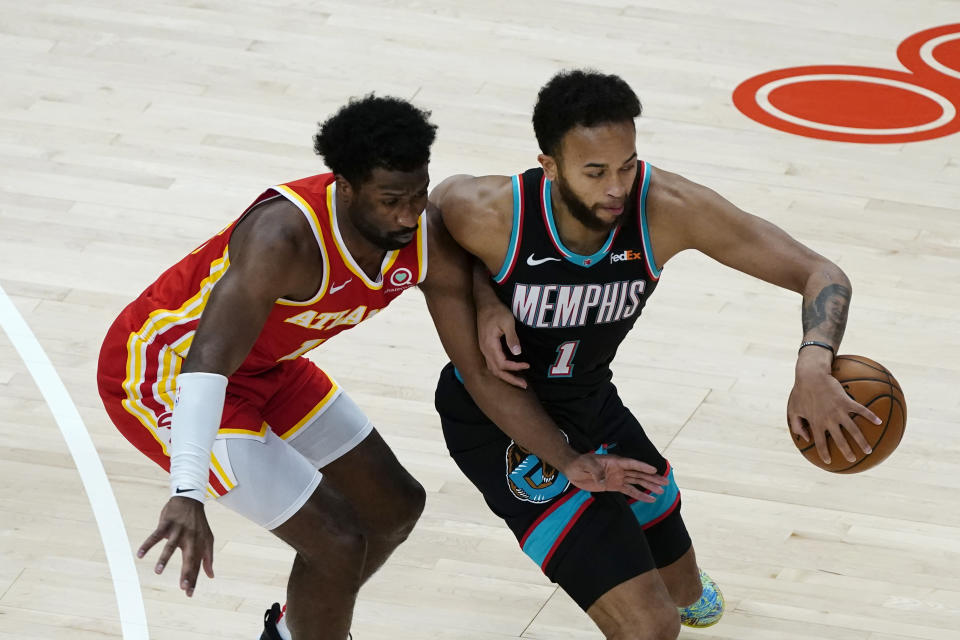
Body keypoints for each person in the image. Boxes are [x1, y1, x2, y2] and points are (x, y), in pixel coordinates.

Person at [97, 93, 656, 640]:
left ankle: (294, 629)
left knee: (394, 509)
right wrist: (188, 491)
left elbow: (475, 362)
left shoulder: (420, 234)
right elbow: (207, 364)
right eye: (391, 200)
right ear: (344, 186)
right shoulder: (282, 237)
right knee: (336, 543)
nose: (408, 214)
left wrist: (489, 308)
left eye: (418, 195)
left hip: (271, 366)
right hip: (165, 376)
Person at [430, 69, 882, 640]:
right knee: (649, 626)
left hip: (590, 399)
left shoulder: (664, 207)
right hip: (500, 421)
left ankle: (673, 580)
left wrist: (814, 359)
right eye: (594, 172)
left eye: (627, 164)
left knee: (686, 591)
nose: (617, 186)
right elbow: (437, 210)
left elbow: (821, 272)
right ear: (549, 167)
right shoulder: (496, 212)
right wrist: (482, 293)